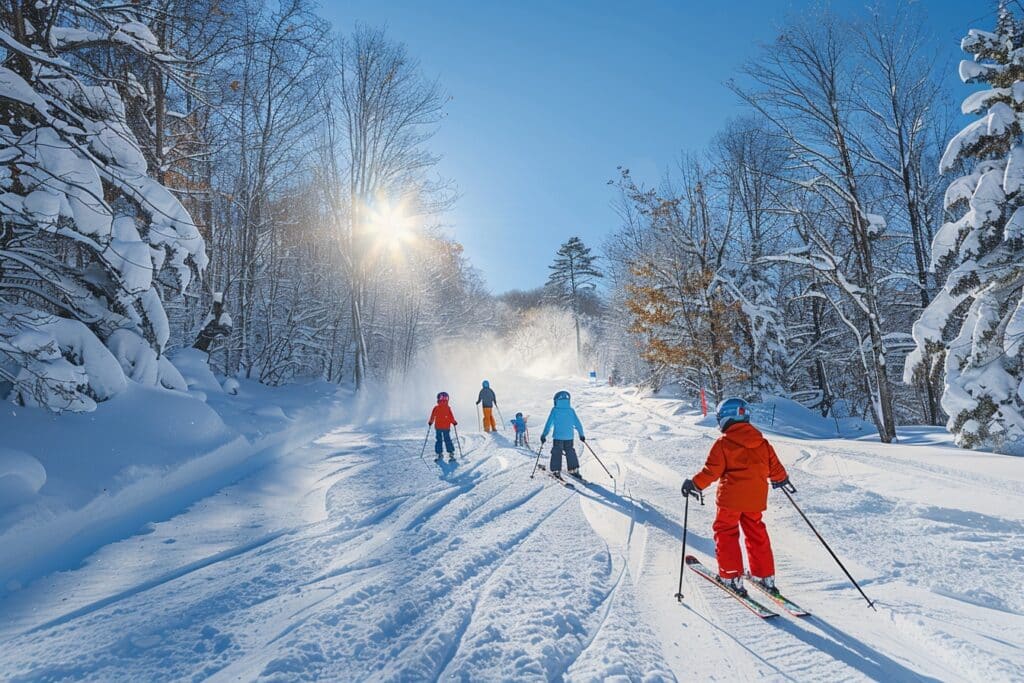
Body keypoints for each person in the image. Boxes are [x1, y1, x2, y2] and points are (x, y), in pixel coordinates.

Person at [681, 398, 791, 597]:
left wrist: (695, 484)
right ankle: (764, 575)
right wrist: (781, 479)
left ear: (725, 418)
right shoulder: (762, 443)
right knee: (756, 532)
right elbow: (774, 467)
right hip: (755, 500)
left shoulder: (724, 443)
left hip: (730, 501)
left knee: (726, 532)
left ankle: (731, 576)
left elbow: (711, 471)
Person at [540, 390, 585, 480]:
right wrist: (581, 435)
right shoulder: (571, 411)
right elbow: (578, 423)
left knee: (557, 451)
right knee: (570, 451)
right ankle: (573, 469)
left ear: (556, 401)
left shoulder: (555, 410)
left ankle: (556, 470)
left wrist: (544, 435)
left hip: (558, 437)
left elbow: (549, 423)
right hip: (569, 437)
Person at [428, 391, 458, 461]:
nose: (443, 400)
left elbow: (433, 416)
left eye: (444, 398)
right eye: (442, 398)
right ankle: (450, 452)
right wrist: (454, 422)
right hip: (444, 427)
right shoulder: (446, 408)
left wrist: (430, 422)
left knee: (439, 440)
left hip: (439, 427)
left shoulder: (437, 408)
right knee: (447, 439)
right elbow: (451, 417)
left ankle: (440, 453)